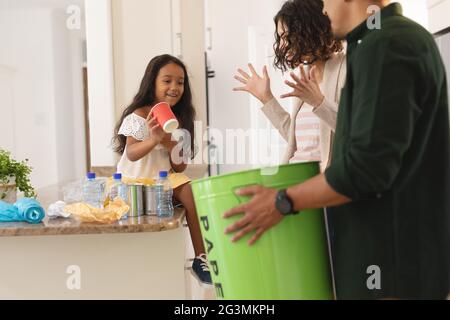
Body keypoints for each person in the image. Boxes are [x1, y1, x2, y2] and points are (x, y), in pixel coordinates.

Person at [224, 1, 450, 299]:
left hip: (387, 260)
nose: (323, 11)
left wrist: (283, 201)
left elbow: (365, 165)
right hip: (371, 243)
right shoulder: (378, 43)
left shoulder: (384, 45)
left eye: (325, 1)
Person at [113, 54, 211, 285]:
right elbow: (132, 153)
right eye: (167, 80)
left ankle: (201, 257)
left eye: (180, 82)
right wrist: (155, 138)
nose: (175, 87)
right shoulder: (137, 115)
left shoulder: (181, 118)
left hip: (163, 179)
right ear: (152, 82)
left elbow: (181, 164)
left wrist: (169, 143)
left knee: (192, 193)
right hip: (134, 179)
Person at [233, 0, 346, 171]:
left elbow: (357, 133)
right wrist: (267, 98)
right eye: (281, 38)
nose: (283, 45)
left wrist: (319, 102)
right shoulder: (305, 74)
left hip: (325, 184)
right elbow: (298, 141)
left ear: (311, 29)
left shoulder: (347, 68)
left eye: (287, 36)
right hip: (296, 177)